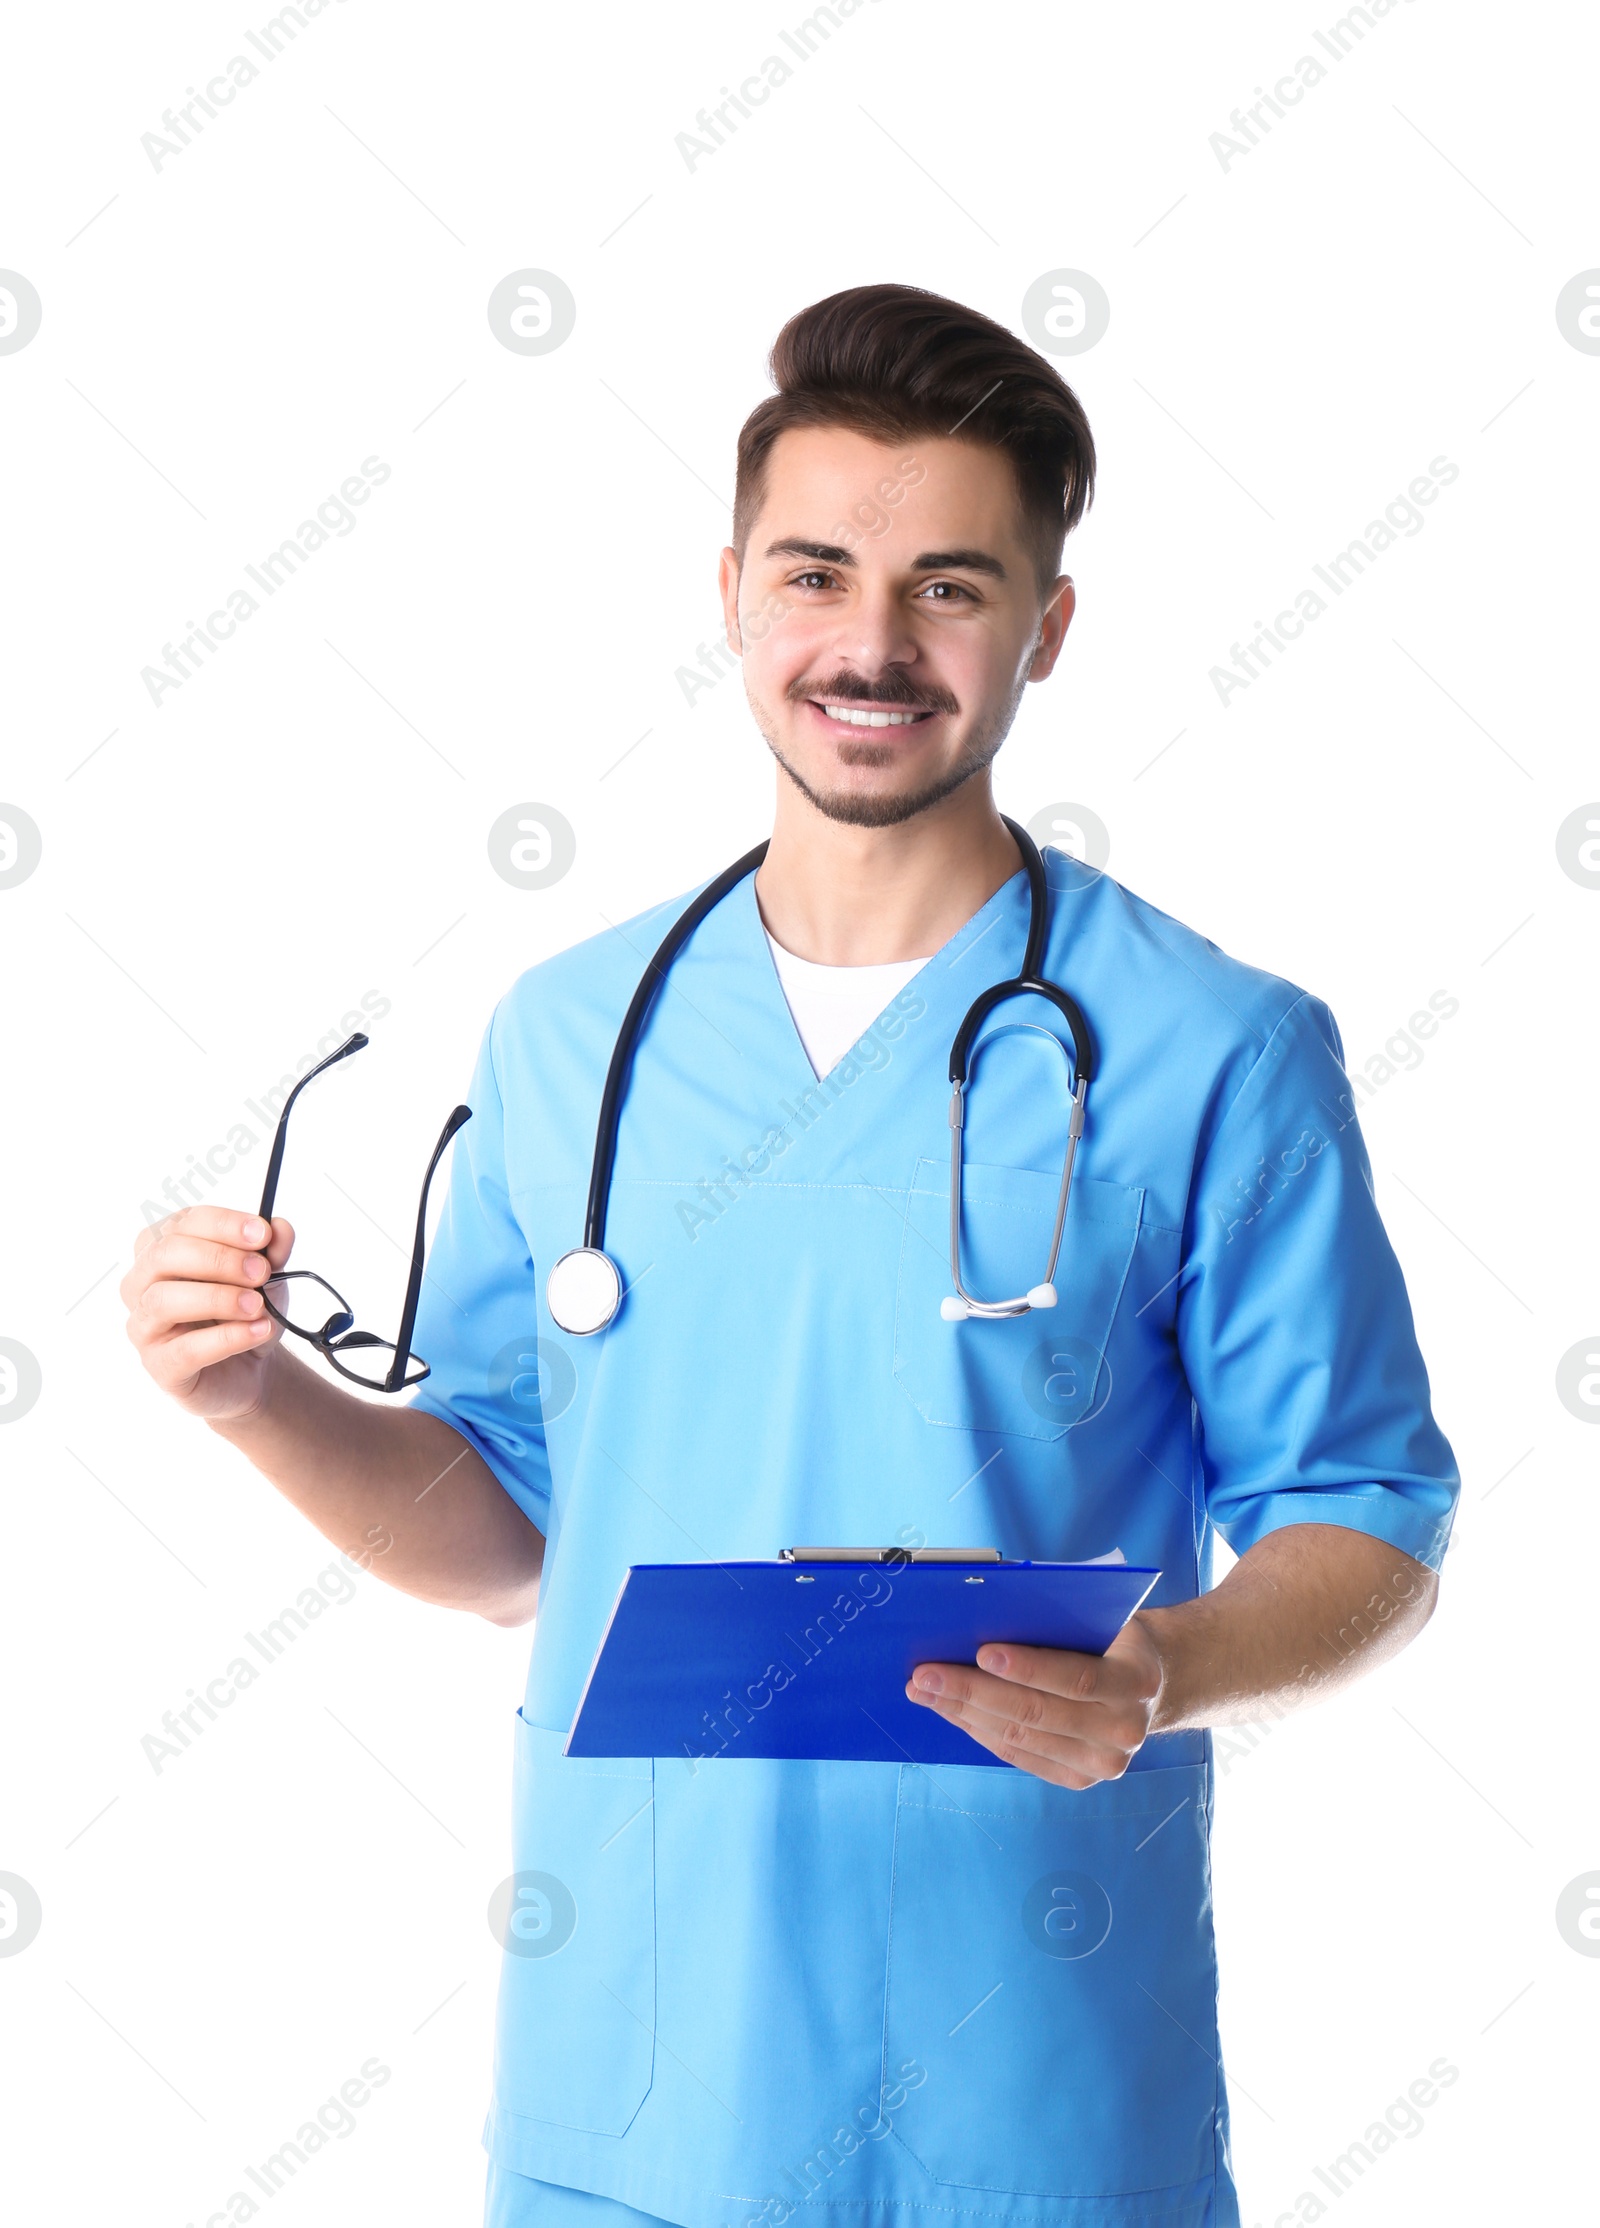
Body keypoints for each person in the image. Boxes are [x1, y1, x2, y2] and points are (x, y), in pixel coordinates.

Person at [121, 284, 1459, 2228]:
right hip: (636, 2106)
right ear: (732, 591)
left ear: (1042, 629)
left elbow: (1367, 1526)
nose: (871, 643)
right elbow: (506, 1528)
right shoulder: (572, 1035)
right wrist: (258, 1396)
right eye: (818, 573)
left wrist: (1163, 1666)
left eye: (949, 586)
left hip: (1039, 2095)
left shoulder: (1207, 1050)